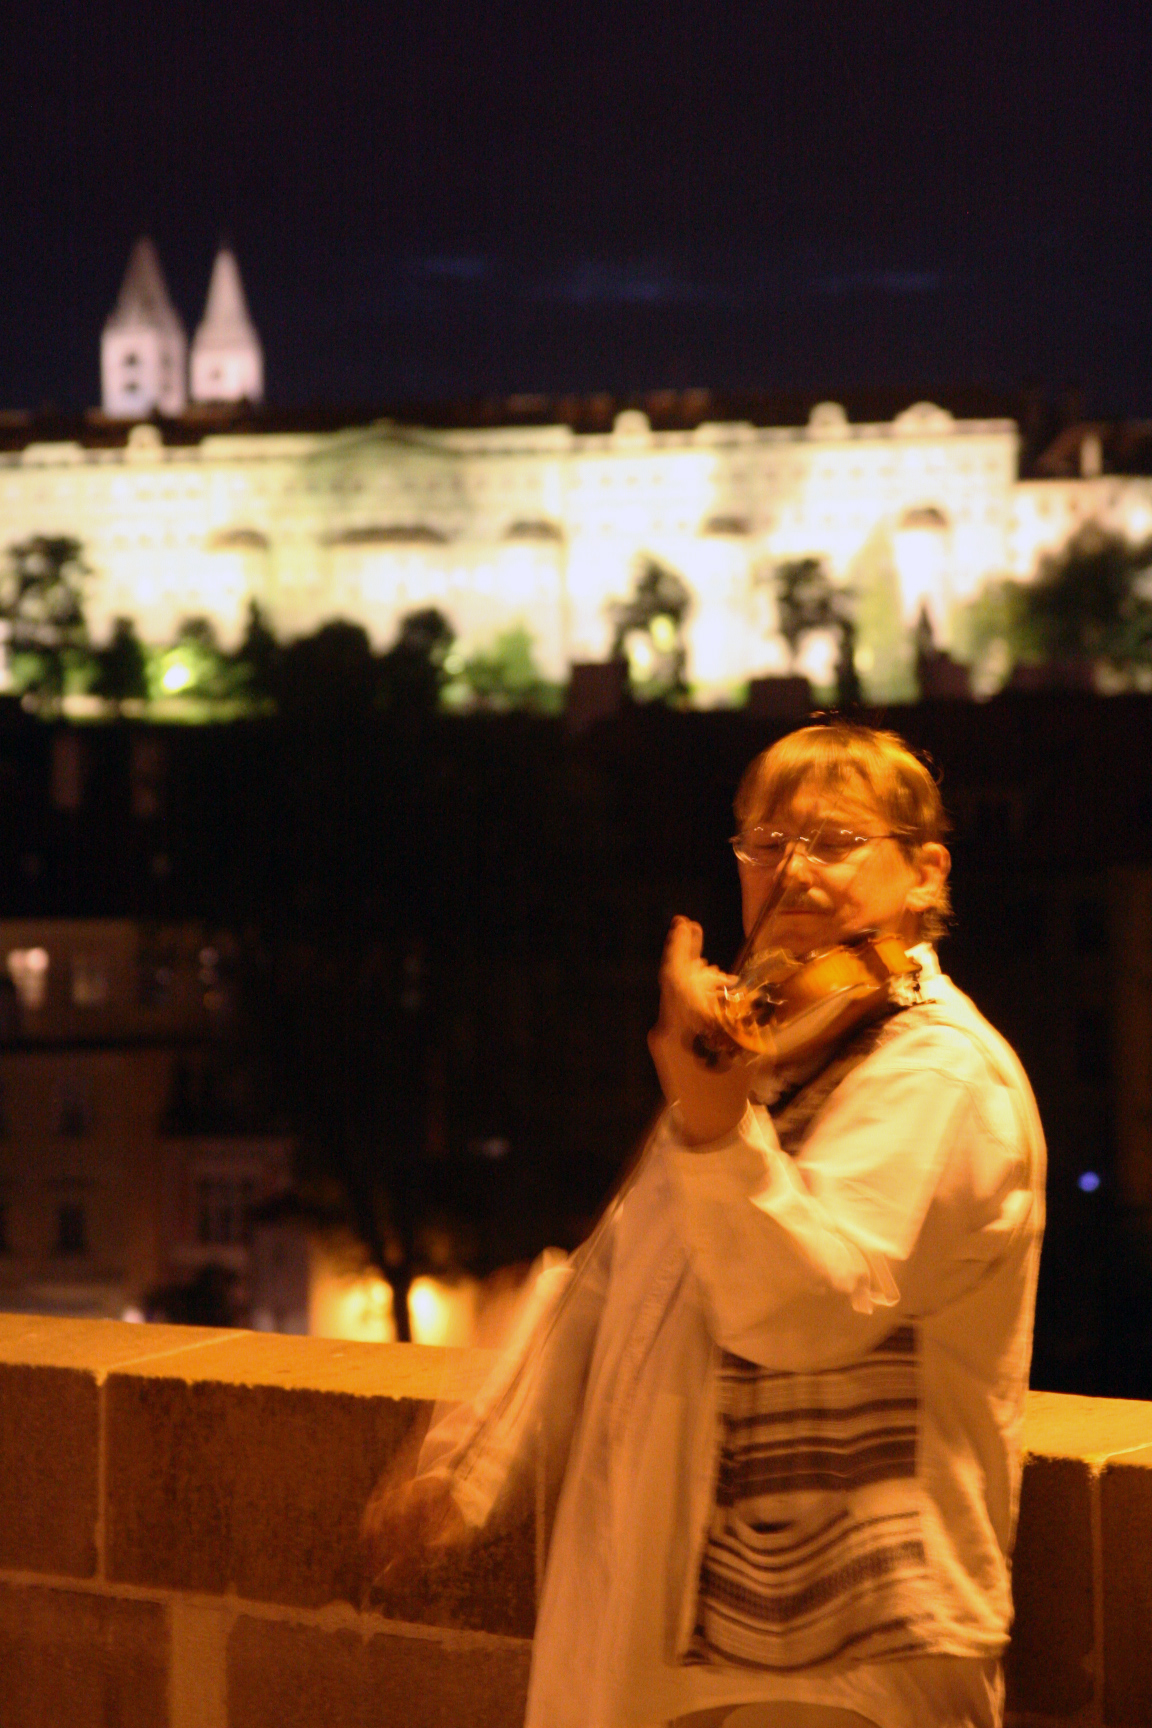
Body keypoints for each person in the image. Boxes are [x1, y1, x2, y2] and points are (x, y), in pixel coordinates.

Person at [362, 721, 1046, 1728]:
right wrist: (469, 1469)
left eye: (835, 840)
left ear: (925, 869)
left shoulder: (937, 1071)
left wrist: (716, 1122)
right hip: (699, 1645)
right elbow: (614, 1281)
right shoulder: (763, 1045)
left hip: (839, 1658)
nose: (792, 872)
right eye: (764, 845)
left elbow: (808, 1309)